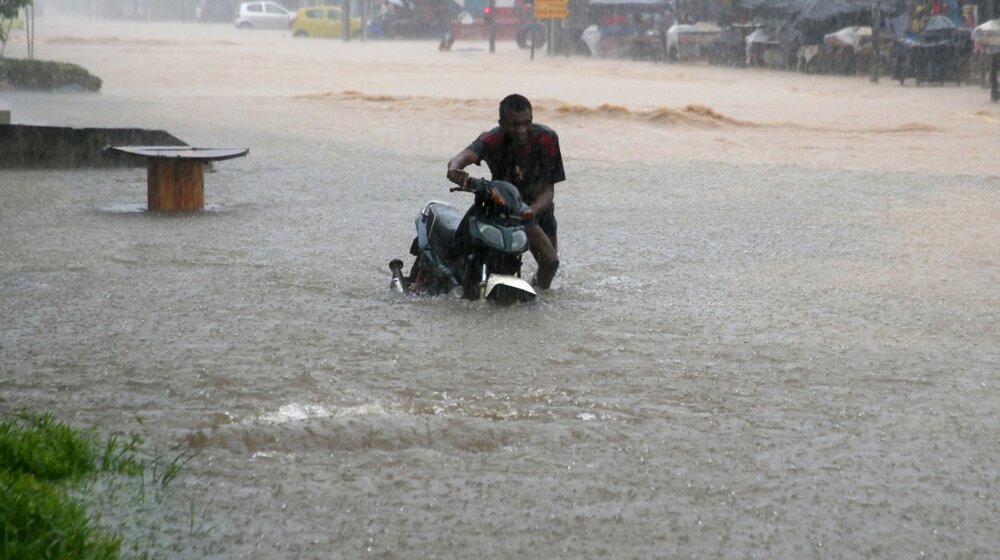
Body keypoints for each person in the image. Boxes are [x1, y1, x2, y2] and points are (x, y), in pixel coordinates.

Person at [446, 94, 564, 289]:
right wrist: (454, 169)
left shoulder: (547, 139)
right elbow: (462, 156)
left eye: (526, 123)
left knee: (550, 263)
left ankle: (535, 296)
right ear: (501, 123)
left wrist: (532, 211)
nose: (521, 130)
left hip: (536, 210)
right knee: (465, 256)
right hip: (502, 207)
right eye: (514, 124)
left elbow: (549, 190)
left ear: (532, 120)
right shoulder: (492, 139)